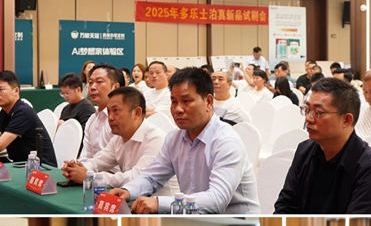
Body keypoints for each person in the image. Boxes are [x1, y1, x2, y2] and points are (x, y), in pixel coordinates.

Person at [110, 67, 260, 214]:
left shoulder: (226, 141)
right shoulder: (174, 138)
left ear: (208, 102)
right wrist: (128, 191)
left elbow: (216, 200)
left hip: (236, 221)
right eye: (174, 102)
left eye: (186, 101)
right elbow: (151, 177)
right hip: (193, 216)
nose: (178, 109)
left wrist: (159, 203)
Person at [275, 78, 371, 214]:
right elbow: (285, 206)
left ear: (346, 120)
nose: (308, 119)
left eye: (318, 113)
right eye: (307, 110)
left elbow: (358, 225)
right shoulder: (304, 150)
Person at [62, 87, 175, 195]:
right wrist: (75, 169)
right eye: (109, 111)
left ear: (137, 113)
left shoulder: (156, 139)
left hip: (162, 203)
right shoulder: (118, 138)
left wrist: (90, 177)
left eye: (116, 111)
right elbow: (97, 162)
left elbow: (138, 178)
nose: (110, 117)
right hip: (132, 199)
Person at [65, 63, 124, 167]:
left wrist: (86, 170)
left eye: (99, 82)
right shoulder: (92, 119)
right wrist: (76, 167)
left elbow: (120, 166)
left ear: (115, 87)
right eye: (90, 82)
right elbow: (85, 157)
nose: (92, 87)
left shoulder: (123, 120)